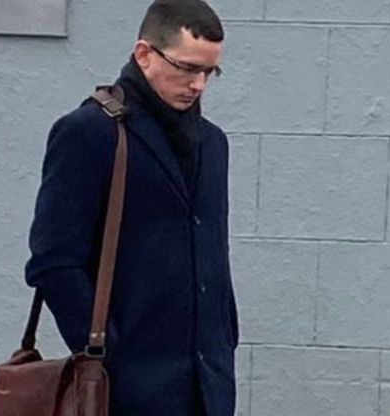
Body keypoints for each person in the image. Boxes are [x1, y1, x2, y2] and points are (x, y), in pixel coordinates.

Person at [24, 1, 237, 414]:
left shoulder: (213, 144)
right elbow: (53, 261)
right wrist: (105, 354)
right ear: (144, 54)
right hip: (126, 390)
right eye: (187, 68)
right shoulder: (89, 133)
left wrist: (224, 336)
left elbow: (211, 253)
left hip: (208, 388)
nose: (198, 85)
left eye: (209, 72)